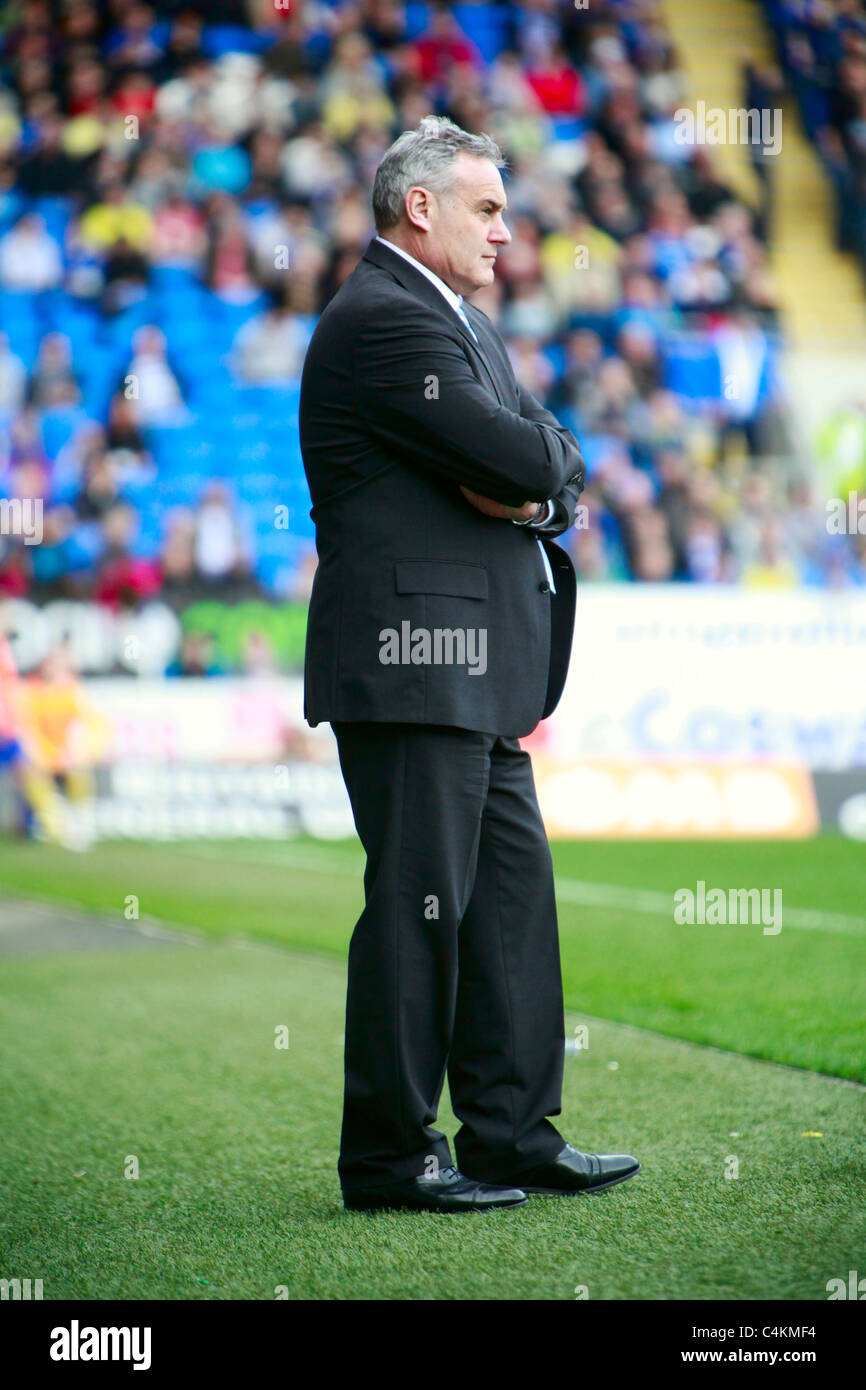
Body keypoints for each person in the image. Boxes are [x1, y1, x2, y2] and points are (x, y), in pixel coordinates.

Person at [299, 116, 640, 1214]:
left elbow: (550, 455)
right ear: (420, 208)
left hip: (474, 673)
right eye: (486, 208)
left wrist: (538, 478)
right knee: (421, 906)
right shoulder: (385, 321)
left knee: (504, 907)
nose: (505, 230)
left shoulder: (459, 324)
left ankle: (509, 1133)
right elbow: (518, 450)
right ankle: (390, 1157)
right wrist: (535, 472)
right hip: (412, 663)